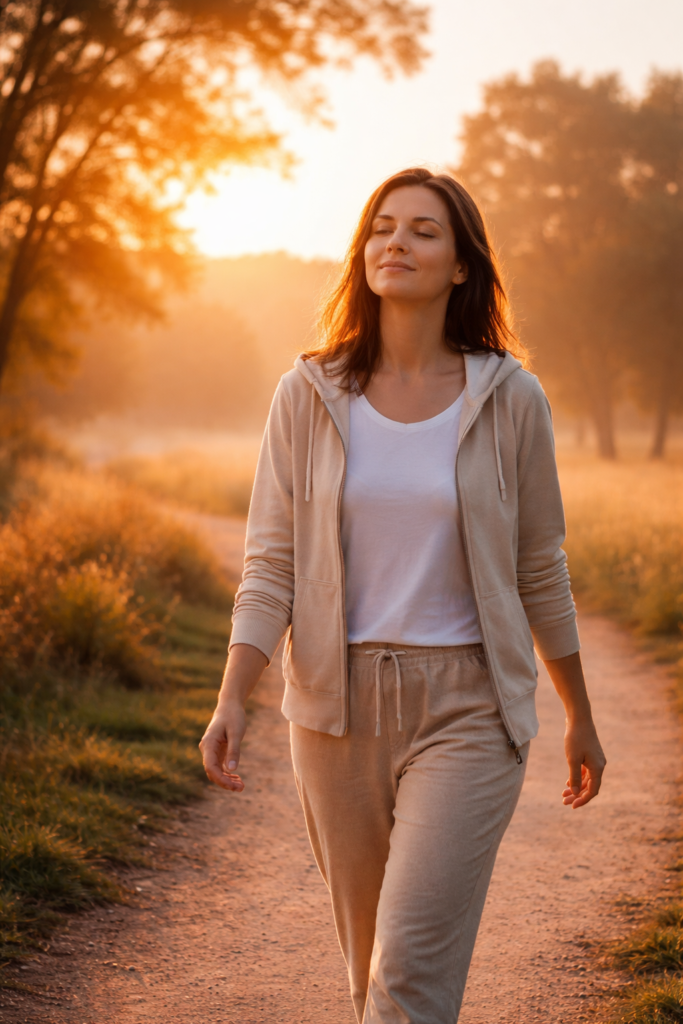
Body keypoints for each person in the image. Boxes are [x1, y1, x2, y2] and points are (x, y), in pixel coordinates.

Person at [200, 167, 606, 1023]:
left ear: (461, 264)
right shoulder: (309, 395)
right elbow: (270, 564)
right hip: (332, 711)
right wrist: (232, 696)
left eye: (424, 230)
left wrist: (578, 712)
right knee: (370, 979)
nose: (397, 242)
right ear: (362, 252)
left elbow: (540, 564)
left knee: (406, 978)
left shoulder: (510, 397)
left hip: (468, 708)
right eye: (382, 227)